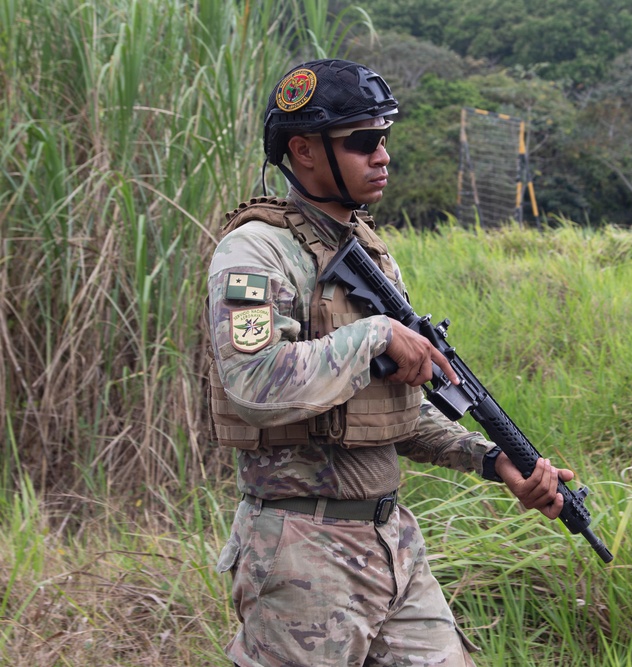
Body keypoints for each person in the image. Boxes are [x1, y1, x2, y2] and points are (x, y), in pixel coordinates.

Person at [208, 58, 574, 667]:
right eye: (361, 142)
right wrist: (376, 336)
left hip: (390, 539)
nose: (381, 156)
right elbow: (253, 380)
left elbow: (392, 412)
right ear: (302, 150)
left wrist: (489, 458)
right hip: (302, 551)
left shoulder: (368, 255)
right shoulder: (255, 250)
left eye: (384, 139)